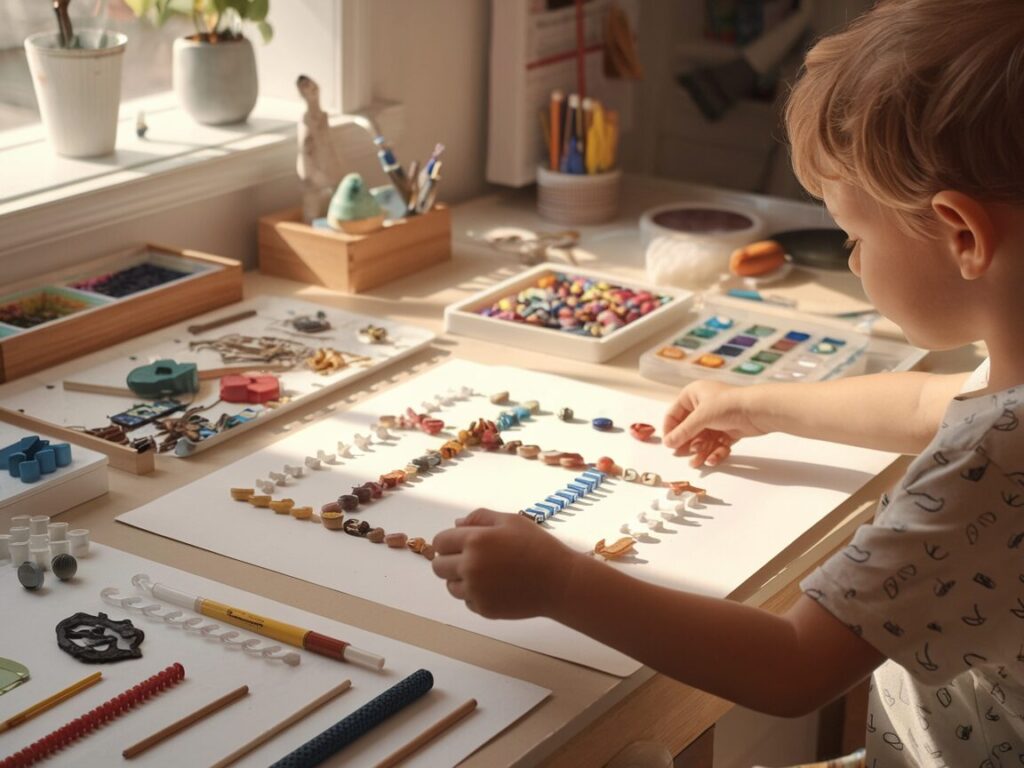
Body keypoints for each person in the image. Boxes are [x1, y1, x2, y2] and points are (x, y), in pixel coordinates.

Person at [430, 0, 1024, 764]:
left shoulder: (991, 459)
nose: (851, 262)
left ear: (965, 237)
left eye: (854, 236)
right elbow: (924, 401)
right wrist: (752, 402)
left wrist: (558, 582)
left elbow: (792, 665)